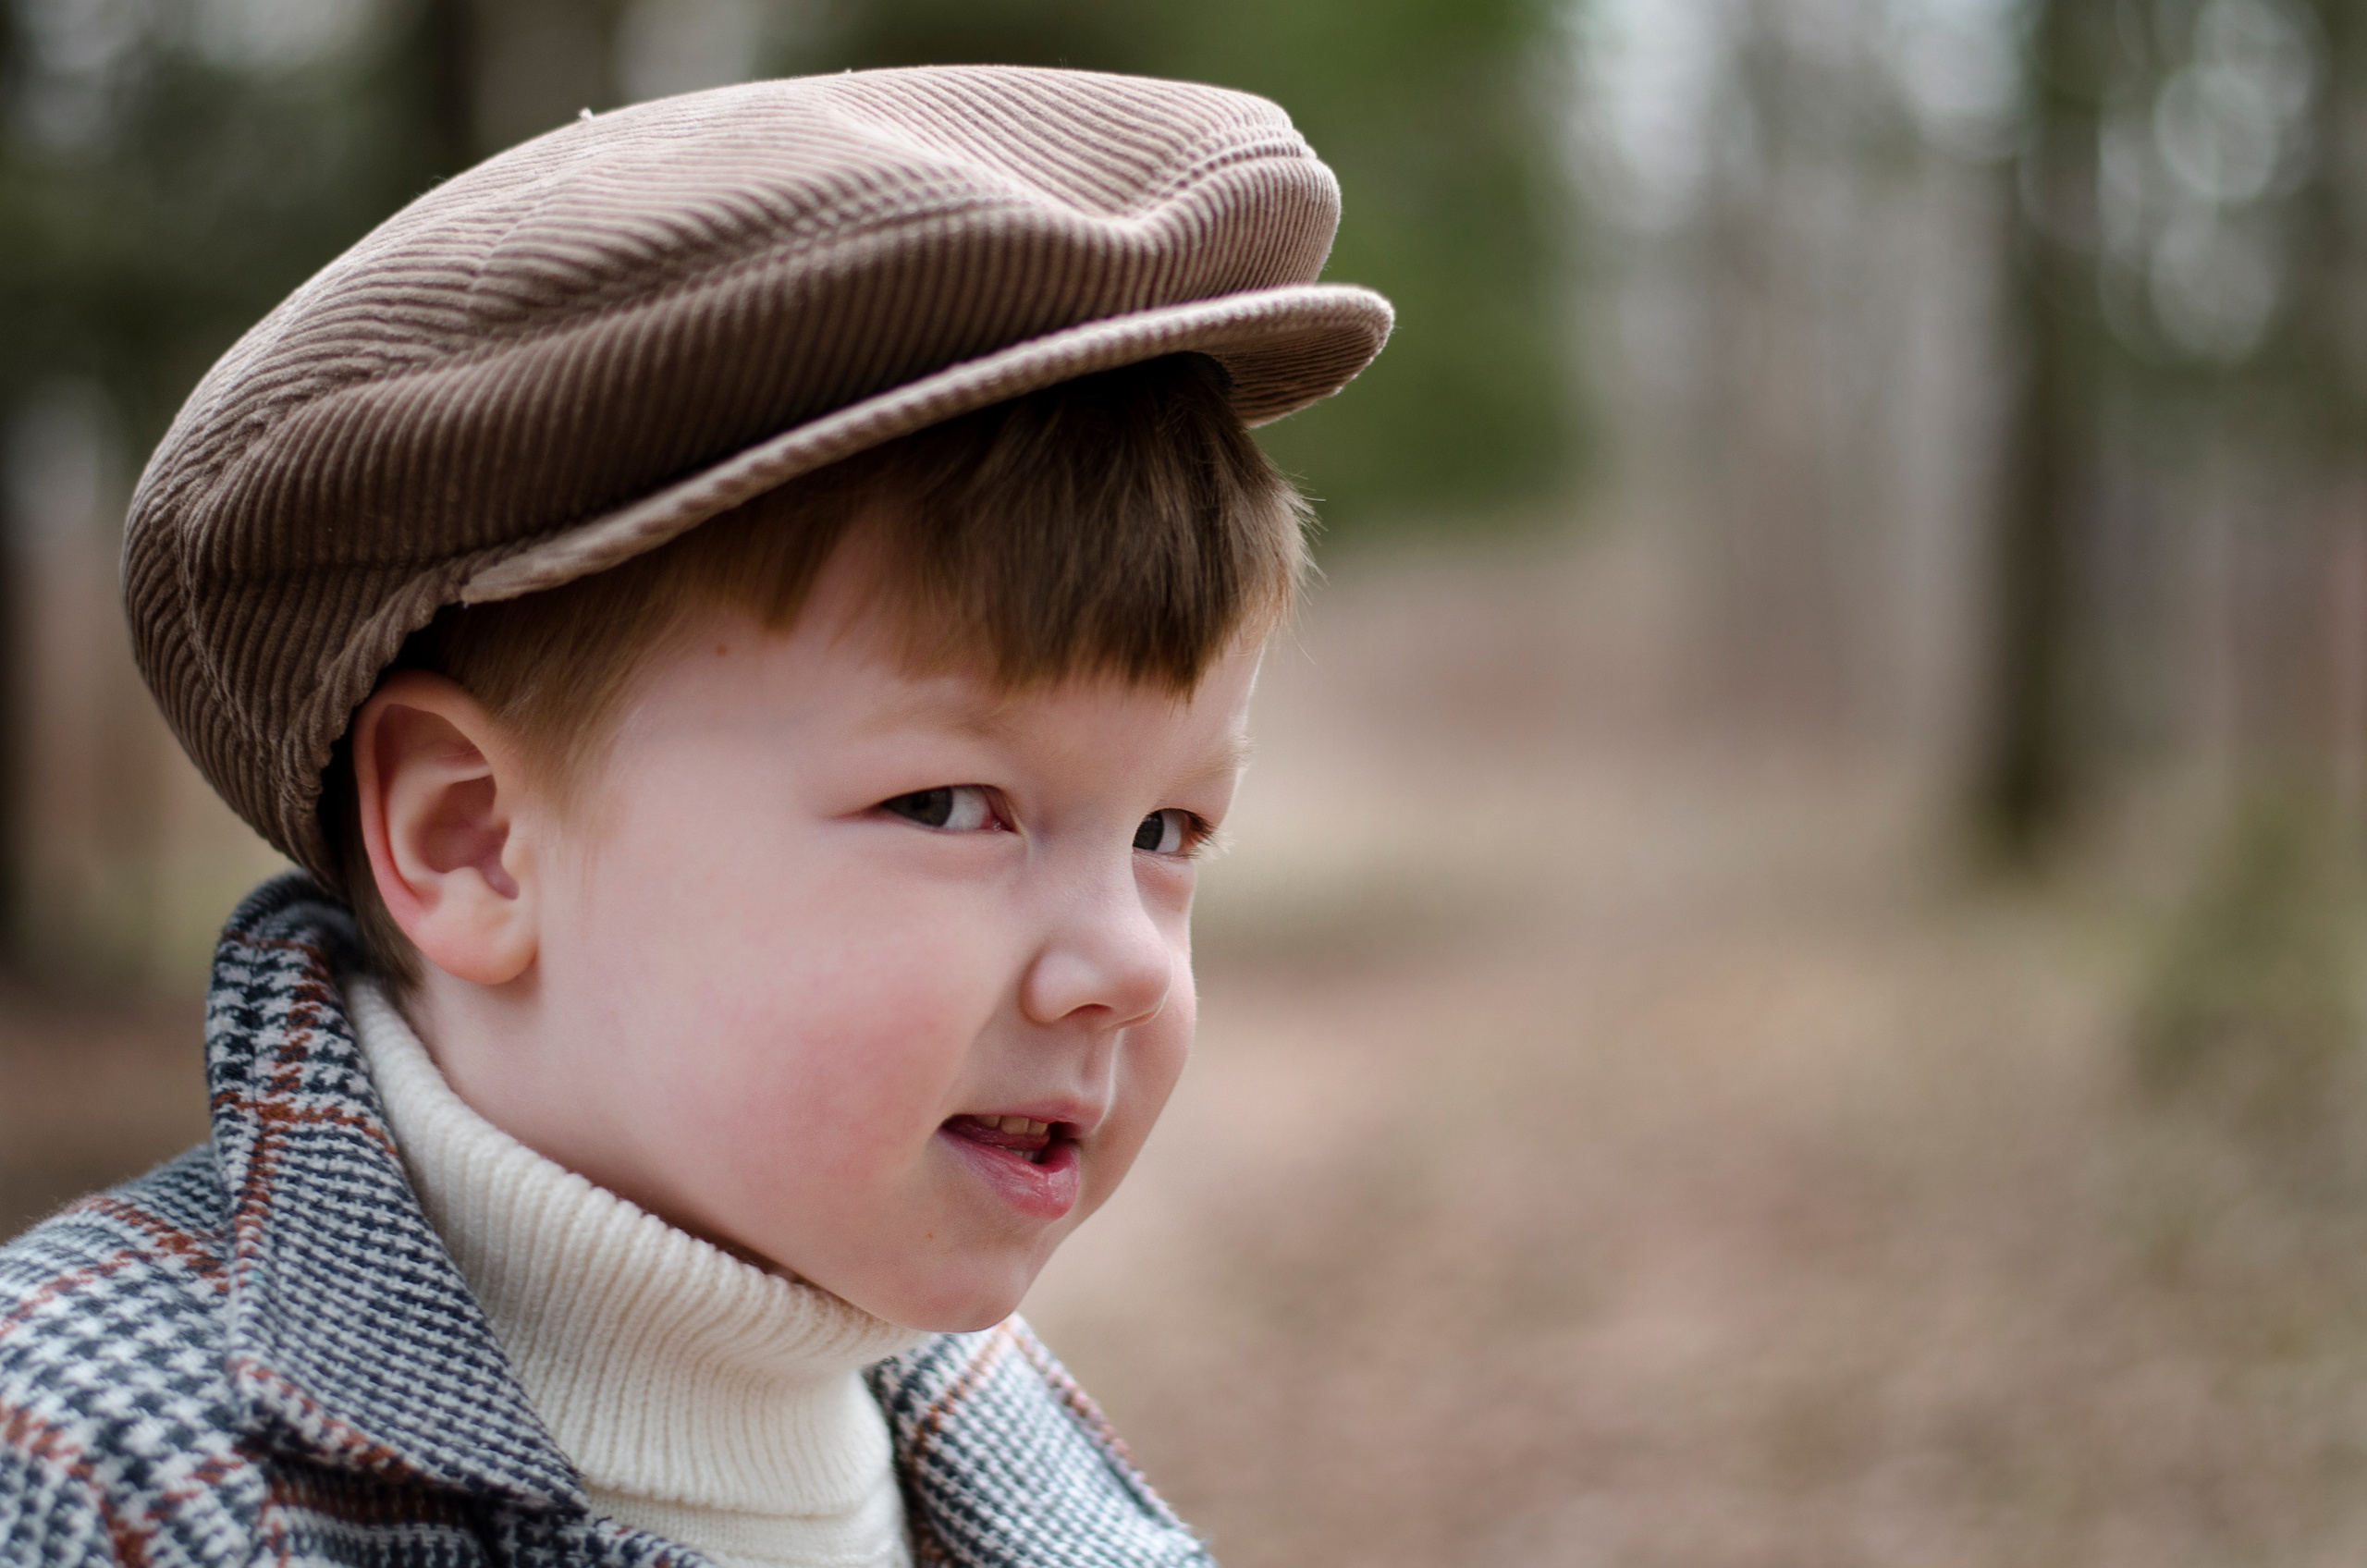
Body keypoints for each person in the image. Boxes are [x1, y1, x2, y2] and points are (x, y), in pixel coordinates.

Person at [0, 66, 1388, 1567]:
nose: (1126, 965)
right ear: (473, 838)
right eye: (950, 805)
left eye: (1169, 832)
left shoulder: (1019, 1470)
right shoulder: (91, 1474)